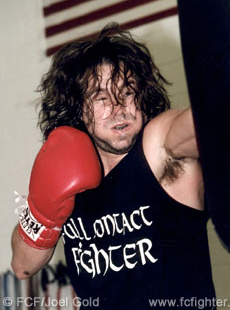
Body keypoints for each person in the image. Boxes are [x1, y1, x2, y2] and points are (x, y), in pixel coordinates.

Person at [11, 23, 216, 309]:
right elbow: (22, 266)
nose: (119, 107)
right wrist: (43, 211)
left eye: (128, 92)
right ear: (76, 108)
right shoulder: (69, 174)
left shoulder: (157, 147)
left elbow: (210, 122)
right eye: (101, 98)